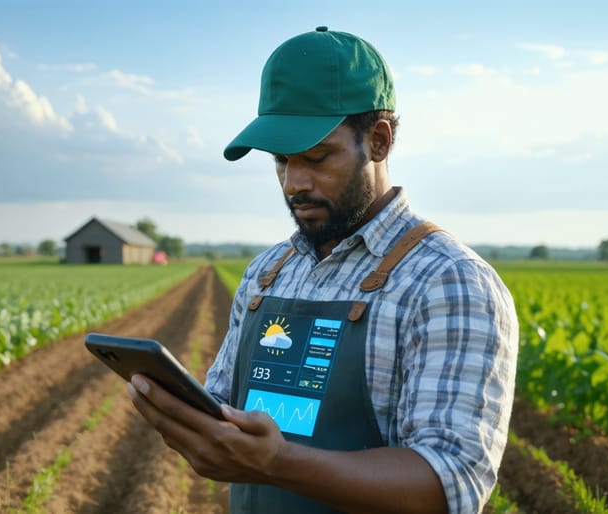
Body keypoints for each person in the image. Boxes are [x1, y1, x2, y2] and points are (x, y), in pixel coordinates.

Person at [128, 26, 519, 514]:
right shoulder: (268, 272)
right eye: (281, 160)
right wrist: (191, 423)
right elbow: (223, 409)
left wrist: (278, 462)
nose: (293, 182)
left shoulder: (447, 282)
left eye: (316, 157)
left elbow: (448, 484)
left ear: (378, 141)